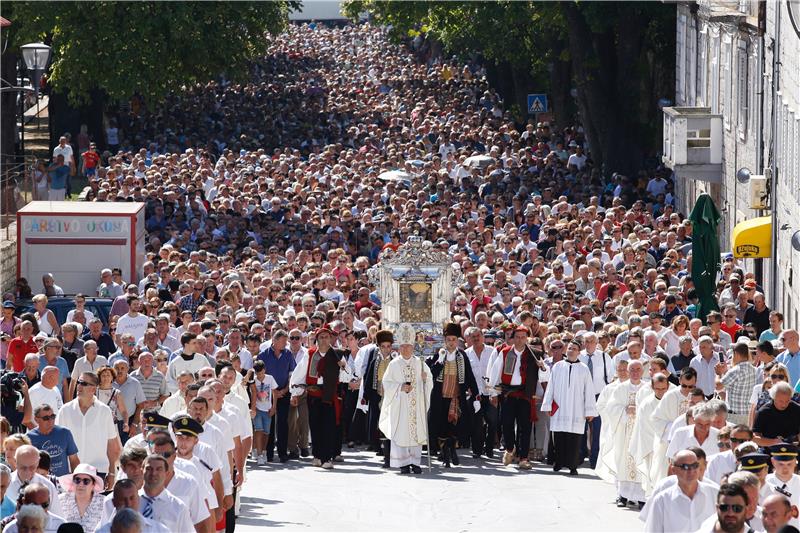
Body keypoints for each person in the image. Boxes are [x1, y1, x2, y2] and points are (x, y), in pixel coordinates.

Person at [488, 325, 546, 469]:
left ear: (527, 338)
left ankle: (523, 458)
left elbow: (545, 376)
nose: (520, 340)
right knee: (506, 423)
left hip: (526, 394)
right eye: (517, 337)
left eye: (523, 337)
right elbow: (495, 372)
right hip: (508, 393)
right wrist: (493, 393)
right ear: (513, 338)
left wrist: (542, 367)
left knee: (525, 427)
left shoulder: (535, 354)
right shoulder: (505, 352)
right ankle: (509, 449)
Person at [378, 323, 433, 475]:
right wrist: (400, 387)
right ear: (399, 347)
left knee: (416, 431)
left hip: (416, 405)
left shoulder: (420, 363)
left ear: (413, 347)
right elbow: (386, 383)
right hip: (400, 404)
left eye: (408, 346)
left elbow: (429, 381)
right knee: (401, 431)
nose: (405, 349)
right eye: (402, 346)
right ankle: (402, 463)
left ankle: (415, 462)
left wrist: (425, 379)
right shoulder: (394, 364)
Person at [541, 338, 597, 476]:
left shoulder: (584, 369)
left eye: (575, 349)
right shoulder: (558, 366)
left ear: (579, 352)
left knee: (574, 438)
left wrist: (589, 410)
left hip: (576, 409)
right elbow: (551, 386)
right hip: (560, 407)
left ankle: (572, 465)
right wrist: (548, 405)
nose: (572, 351)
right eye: (570, 348)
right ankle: (559, 462)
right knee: (559, 437)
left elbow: (589, 391)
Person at [289, 325, 342, 469]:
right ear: (317, 340)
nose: (324, 340)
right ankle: (317, 455)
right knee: (315, 425)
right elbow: (299, 374)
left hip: (329, 395)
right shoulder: (310, 354)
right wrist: (295, 392)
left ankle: (326, 458)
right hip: (313, 394)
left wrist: (343, 367)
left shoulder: (337, 354)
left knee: (328, 427)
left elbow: (346, 375)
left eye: (327, 337)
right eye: (321, 337)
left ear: (331, 339)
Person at [55, 371, 120, 488]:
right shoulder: (65, 410)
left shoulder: (104, 411)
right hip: (71, 472)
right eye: (79, 382)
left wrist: (111, 472)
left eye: (84, 383)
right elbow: (58, 442)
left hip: (98, 471)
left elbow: (112, 446)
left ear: (93, 389)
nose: (79, 386)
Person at [428, 322, 479, 468]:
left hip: (455, 397)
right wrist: (440, 361)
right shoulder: (438, 354)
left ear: (458, 341)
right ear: (445, 340)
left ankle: (451, 451)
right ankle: (445, 451)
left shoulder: (462, 356)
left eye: (454, 340)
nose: (451, 342)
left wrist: (476, 396)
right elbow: (432, 374)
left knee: (454, 425)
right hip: (439, 397)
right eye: (448, 340)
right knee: (440, 425)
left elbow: (469, 377)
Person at [600, 359, 646, 508]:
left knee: (640, 462)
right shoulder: (620, 389)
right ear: (627, 371)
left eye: (638, 369)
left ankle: (642, 497)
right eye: (632, 370)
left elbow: (653, 409)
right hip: (623, 432)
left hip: (641, 433)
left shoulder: (648, 389)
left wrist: (640, 411)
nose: (635, 372)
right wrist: (625, 411)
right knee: (623, 461)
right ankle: (623, 495)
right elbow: (610, 408)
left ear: (643, 371)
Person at [643, 449, 718, 532]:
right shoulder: (661, 501)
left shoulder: (715, 494)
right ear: (673, 469)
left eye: (695, 466)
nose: (691, 470)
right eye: (685, 467)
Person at [259, 329, 296, 463]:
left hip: (284, 392)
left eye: (286, 342)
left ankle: (282, 452)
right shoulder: (263, 355)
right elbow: (260, 376)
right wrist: (274, 392)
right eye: (282, 341)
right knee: (269, 423)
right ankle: (268, 453)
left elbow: (292, 373)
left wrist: (286, 389)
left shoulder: (288, 354)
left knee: (283, 423)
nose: (285, 344)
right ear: (274, 341)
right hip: (268, 394)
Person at [361, 329, 396, 466]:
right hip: (377, 396)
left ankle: (390, 452)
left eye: (388, 346)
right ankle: (382, 450)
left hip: (391, 396)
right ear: (379, 347)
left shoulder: (395, 361)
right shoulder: (374, 361)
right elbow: (369, 378)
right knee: (378, 423)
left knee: (391, 423)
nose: (386, 349)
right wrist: (366, 396)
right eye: (383, 346)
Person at [464, 326, 499, 460]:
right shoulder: (466, 354)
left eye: (478, 335)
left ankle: (489, 448)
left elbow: (496, 373)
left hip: (490, 393)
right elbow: (465, 374)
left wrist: (495, 393)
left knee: (493, 422)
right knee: (476, 423)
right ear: (469, 339)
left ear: (483, 336)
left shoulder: (492, 351)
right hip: (475, 394)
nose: (476, 338)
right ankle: (477, 450)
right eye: (473, 336)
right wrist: (468, 388)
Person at [138, 454, 193, 533]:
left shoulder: (178, 507)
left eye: (159, 469)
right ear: (141, 471)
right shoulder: (128, 502)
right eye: (149, 469)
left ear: (167, 473)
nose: (153, 473)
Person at [6, 445, 64, 518]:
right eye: (23, 468)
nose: (27, 472)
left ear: (37, 463)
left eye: (32, 468)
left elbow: (57, 518)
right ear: (15, 462)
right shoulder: (4, 483)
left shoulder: (48, 486)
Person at [94, 478, 169, 533]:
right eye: (122, 499)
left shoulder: (159, 530)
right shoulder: (102, 531)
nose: (128, 504)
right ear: (114, 502)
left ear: (139, 500)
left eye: (132, 498)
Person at [26, 404, 79, 477]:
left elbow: (74, 460)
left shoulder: (65, 433)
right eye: (46, 418)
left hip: (61, 482)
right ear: (36, 420)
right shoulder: (29, 437)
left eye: (52, 417)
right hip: (40, 482)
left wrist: (76, 479)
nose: (50, 421)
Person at [56, 463, 106, 532]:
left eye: (86, 481)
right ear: (72, 482)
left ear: (93, 485)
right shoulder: (60, 500)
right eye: (77, 480)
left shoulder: (104, 503)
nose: (81, 484)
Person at [721, 342, 761, 426]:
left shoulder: (736, 370)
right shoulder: (754, 369)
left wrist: (719, 373)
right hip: (747, 414)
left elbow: (719, 385)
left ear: (736, 354)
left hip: (735, 415)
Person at [753, 382, 800, 447]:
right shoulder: (763, 412)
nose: (784, 404)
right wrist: (774, 442)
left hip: (793, 449)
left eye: (787, 401)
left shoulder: (797, 410)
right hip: (769, 449)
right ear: (773, 397)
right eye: (781, 401)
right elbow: (755, 437)